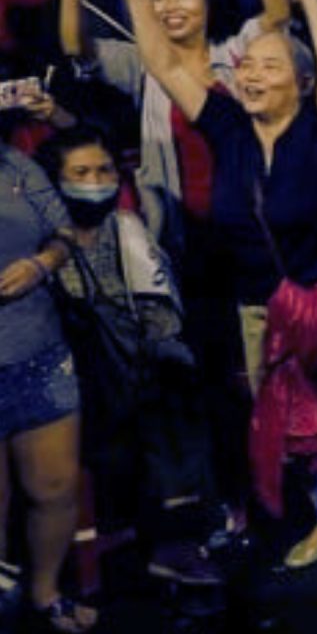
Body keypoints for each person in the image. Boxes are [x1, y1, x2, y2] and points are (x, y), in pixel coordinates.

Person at [119, 0, 317, 560]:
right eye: (247, 65)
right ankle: (308, 518)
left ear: (301, 82)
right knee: (281, 420)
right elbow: (162, 63)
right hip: (256, 308)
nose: (251, 74)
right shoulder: (227, 126)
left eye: (269, 67)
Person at [35, 127, 222, 591]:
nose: (95, 182)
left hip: (134, 369)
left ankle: (176, 542)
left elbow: (161, 313)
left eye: (103, 171)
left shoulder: (127, 228)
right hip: (68, 376)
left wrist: (161, 355)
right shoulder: (40, 244)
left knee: (173, 390)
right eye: (81, 173)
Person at [0, 128, 87, 632]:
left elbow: (64, 233)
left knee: (55, 487)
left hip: (40, 352)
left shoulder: (15, 164)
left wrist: (42, 263)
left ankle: (46, 593)